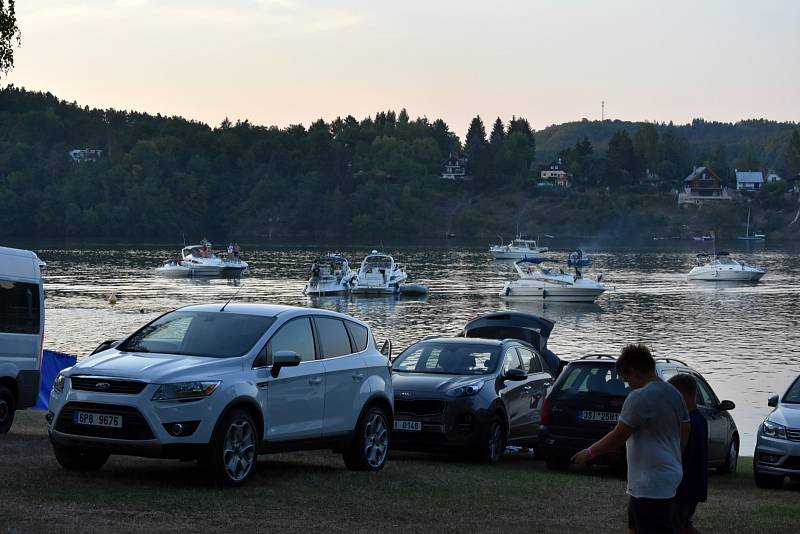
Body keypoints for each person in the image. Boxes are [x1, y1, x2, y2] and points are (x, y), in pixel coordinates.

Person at [572, 344, 690, 534]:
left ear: (633, 372)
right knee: (634, 525)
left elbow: (618, 436)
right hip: (662, 478)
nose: (627, 385)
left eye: (626, 380)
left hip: (651, 482)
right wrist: (674, 455)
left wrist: (589, 452)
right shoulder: (674, 394)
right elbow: (685, 428)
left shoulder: (640, 397)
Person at [667, 374, 708, 534]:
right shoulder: (701, 419)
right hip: (694, 485)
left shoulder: (686, 422)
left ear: (680, 396)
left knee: (674, 526)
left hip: (683, 487)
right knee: (684, 525)